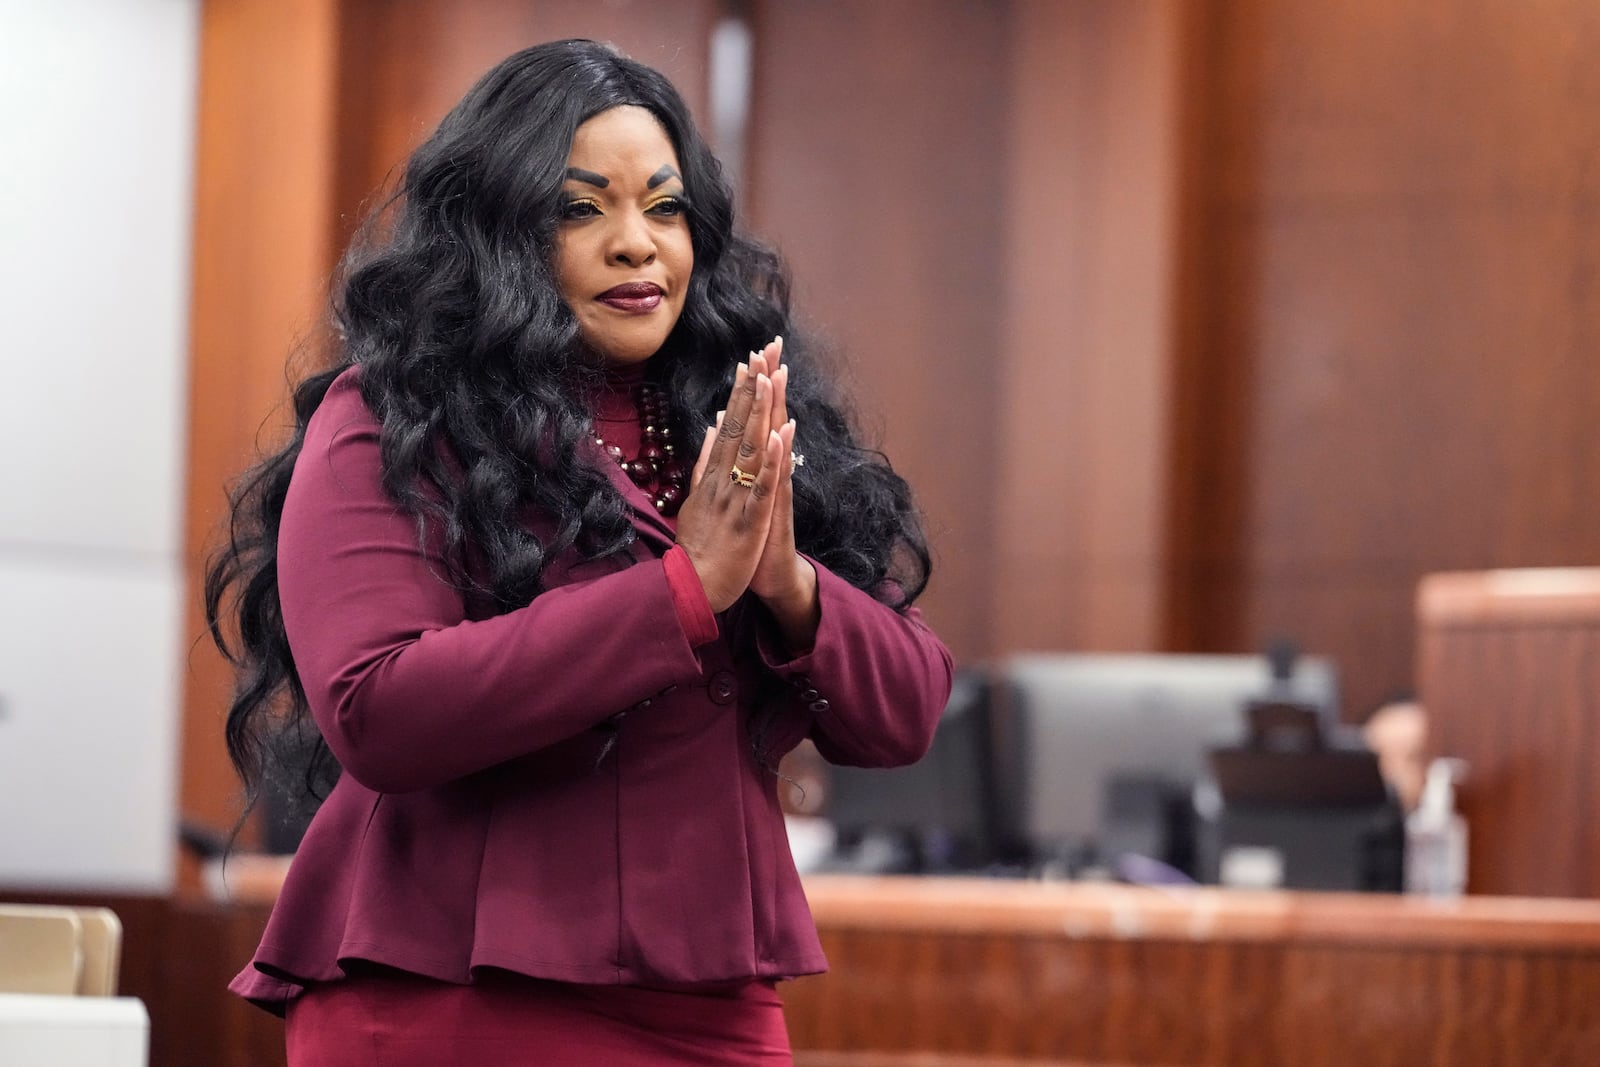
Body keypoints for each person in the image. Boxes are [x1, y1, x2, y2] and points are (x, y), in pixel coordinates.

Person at [204, 38, 953, 1066]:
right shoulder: (392, 420)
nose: (636, 243)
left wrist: (783, 579)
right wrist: (683, 593)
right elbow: (378, 705)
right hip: (447, 987)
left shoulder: (734, 425)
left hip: (705, 992)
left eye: (663, 206)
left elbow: (906, 706)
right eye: (580, 207)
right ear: (498, 234)